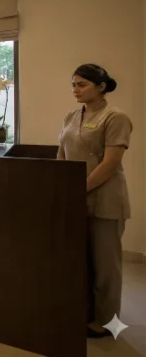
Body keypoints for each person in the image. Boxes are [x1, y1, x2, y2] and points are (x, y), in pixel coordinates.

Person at [57, 63, 132, 338]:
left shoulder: (116, 117)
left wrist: (77, 189)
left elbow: (111, 163)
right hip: (76, 199)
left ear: (101, 87)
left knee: (106, 268)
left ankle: (108, 322)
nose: (75, 90)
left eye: (82, 85)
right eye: (73, 84)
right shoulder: (70, 116)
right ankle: (86, 312)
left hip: (106, 200)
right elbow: (62, 153)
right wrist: (61, 184)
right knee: (82, 262)